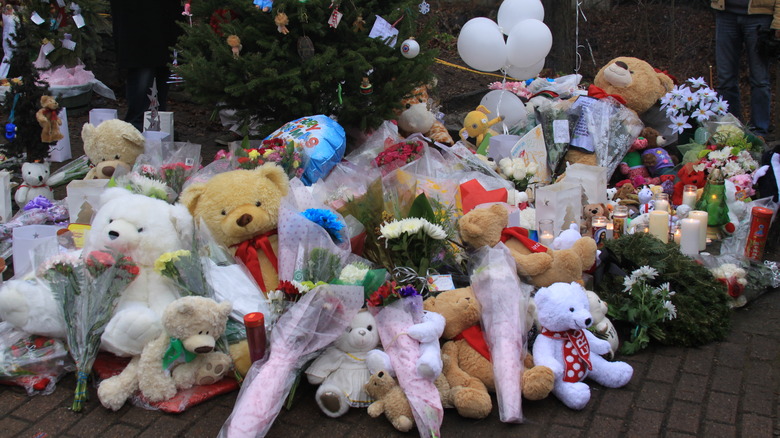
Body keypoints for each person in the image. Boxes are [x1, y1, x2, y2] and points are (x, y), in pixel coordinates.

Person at [109, 0, 183, 132]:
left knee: (163, 63)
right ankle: (137, 125)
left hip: (164, 13)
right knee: (143, 66)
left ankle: (158, 123)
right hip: (137, 15)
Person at [711, 0, 780, 138]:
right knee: (725, 78)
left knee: (760, 79)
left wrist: (778, 22)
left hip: (760, 16)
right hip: (725, 14)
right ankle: (729, 129)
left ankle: (759, 132)